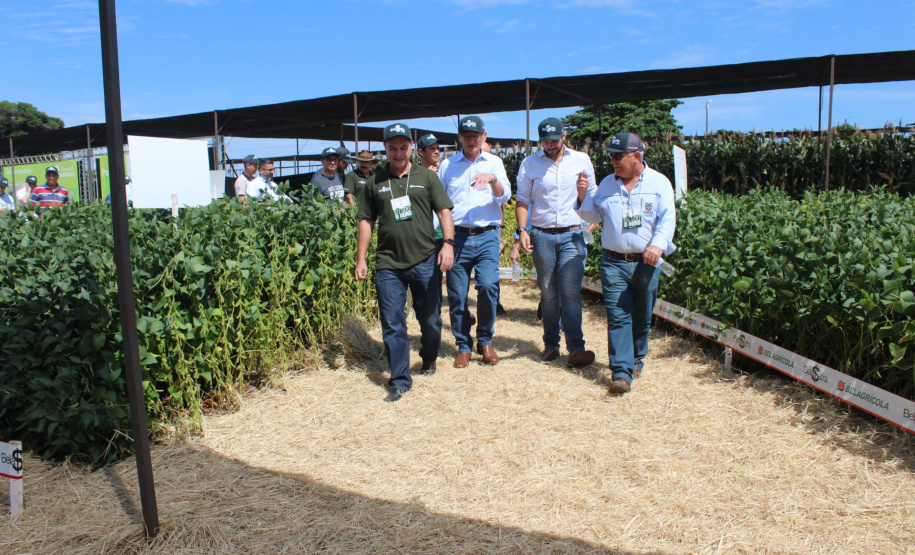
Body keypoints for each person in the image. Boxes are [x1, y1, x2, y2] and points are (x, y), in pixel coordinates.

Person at [355, 123, 455, 402]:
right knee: (393, 323)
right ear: (385, 149)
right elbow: (366, 221)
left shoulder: (427, 177)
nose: (398, 152)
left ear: (411, 147)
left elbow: (444, 212)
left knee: (432, 321)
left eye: (403, 147)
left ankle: (429, 357)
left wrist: (448, 244)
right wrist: (361, 259)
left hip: (425, 260)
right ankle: (400, 380)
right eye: (392, 147)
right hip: (388, 263)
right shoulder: (376, 180)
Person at [575, 132, 676, 395]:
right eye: (610, 156)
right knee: (618, 315)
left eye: (618, 156)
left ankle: (637, 358)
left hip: (647, 262)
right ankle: (621, 372)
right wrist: (582, 196)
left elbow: (667, 220)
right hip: (614, 262)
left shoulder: (659, 183)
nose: (613, 161)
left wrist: (657, 245)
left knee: (642, 314)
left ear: (637, 156)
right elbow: (593, 214)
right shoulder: (607, 184)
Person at [516, 117, 597, 367]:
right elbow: (522, 200)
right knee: (549, 294)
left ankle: (576, 348)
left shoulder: (581, 160)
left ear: (564, 137)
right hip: (542, 235)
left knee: (571, 293)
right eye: (545, 141)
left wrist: (593, 218)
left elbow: (593, 195)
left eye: (554, 140)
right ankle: (551, 344)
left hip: (573, 234)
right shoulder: (530, 164)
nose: (549, 145)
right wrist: (522, 230)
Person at [438, 116, 511, 368]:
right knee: (457, 295)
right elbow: (439, 203)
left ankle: (486, 340)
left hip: (487, 235)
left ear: (483, 136)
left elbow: (505, 196)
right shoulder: (448, 165)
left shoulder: (494, 162)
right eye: (466, 135)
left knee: (489, 287)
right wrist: (441, 240)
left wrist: (491, 180)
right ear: (459, 137)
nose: (471, 140)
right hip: (456, 237)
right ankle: (463, 345)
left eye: (475, 135)